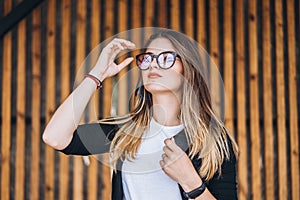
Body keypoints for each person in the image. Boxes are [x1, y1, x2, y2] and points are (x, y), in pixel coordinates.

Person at [43, 29, 238, 200]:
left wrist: (192, 183)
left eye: (165, 58)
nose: (153, 65)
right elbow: (55, 137)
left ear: (188, 68)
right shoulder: (125, 132)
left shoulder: (214, 141)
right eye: (147, 59)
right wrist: (97, 74)